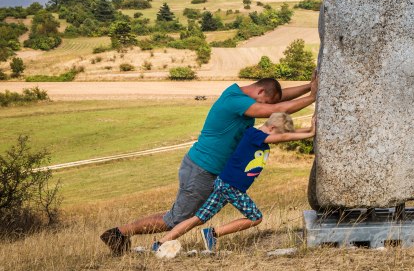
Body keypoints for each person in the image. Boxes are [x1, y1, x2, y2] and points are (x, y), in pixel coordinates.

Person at [100, 75, 318, 255]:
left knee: (195, 216)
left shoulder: (241, 95)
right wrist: (313, 97)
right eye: (265, 102)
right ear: (260, 93)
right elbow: (276, 108)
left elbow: (277, 98)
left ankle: (157, 239)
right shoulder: (235, 102)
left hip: (212, 171)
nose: (266, 106)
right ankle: (119, 233)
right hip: (202, 169)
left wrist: (309, 86)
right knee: (175, 219)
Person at [152, 113, 315, 253]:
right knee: (255, 217)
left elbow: (287, 134)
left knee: (198, 218)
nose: (279, 141)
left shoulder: (258, 136)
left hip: (224, 184)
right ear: (272, 129)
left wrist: (310, 130)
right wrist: (310, 133)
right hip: (231, 186)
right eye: (278, 135)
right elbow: (285, 136)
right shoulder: (255, 136)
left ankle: (160, 243)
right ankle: (213, 233)